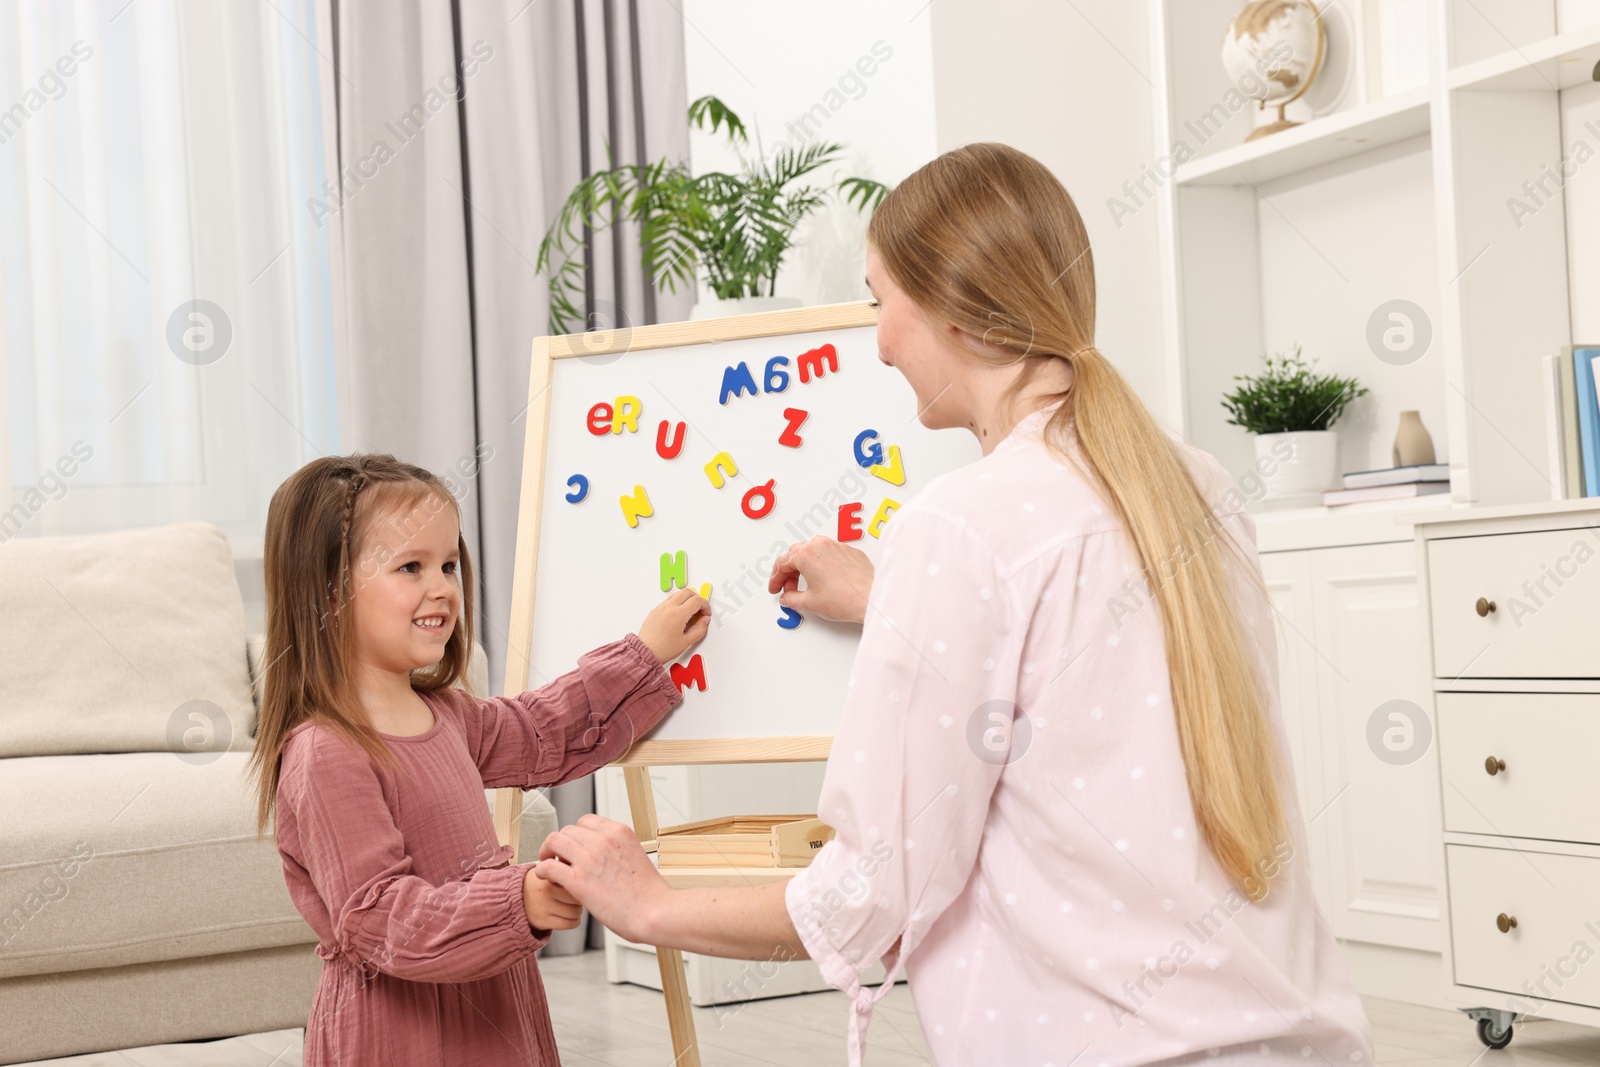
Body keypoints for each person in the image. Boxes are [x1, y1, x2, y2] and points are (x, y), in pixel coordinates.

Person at [534, 143, 1376, 1066]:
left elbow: (873, 890)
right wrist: (894, 593)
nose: (879, 339)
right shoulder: (1198, 485)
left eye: (878, 300)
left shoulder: (965, 526)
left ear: (958, 315)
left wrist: (648, 901)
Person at [248, 453, 709, 1066]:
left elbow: (545, 730)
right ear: (331, 589)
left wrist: (644, 655)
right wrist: (517, 900)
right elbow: (378, 917)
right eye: (410, 567)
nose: (441, 586)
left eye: (447, 564)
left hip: (492, 1001)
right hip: (401, 1033)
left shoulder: (448, 715)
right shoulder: (324, 753)